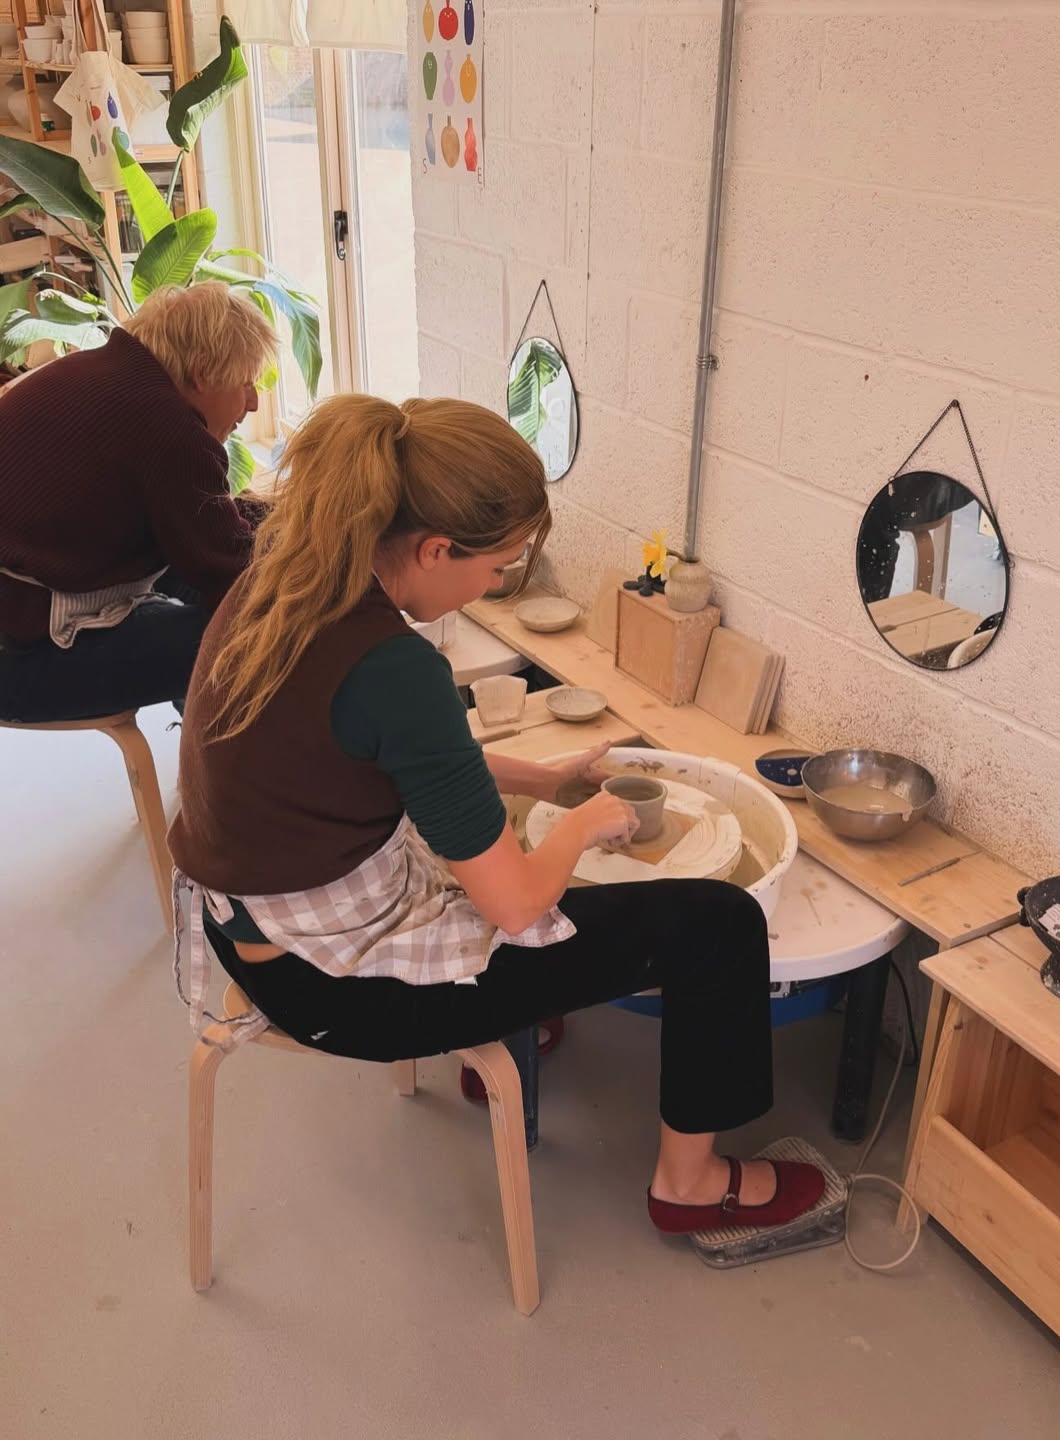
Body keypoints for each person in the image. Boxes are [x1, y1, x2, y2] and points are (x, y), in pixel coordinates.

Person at [169, 394, 824, 1238]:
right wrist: (586, 825)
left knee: (510, 856)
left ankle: (514, 1023)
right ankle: (691, 1185)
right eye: (497, 567)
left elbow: (402, 764)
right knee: (720, 923)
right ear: (435, 548)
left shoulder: (288, 577)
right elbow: (513, 905)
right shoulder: (396, 670)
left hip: (248, 927)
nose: (492, 587)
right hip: (330, 987)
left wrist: (546, 783)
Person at [0, 282, 278, 723]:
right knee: (251, 629)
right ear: (202, 373)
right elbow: (235, 576)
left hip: (21, 604)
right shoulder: (169, 432)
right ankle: (223, 754)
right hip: (21, 659)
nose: (253, 402)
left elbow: (196, 522)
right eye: (245, 381)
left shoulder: (99, 371)